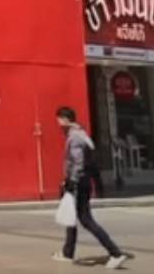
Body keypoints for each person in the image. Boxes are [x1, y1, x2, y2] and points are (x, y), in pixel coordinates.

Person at [53, 106, 128, 268]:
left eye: (58, 120)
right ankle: (67, 252)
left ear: (65, 119)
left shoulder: (75, 137)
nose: (58, 124)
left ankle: (115, 253)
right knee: (71, 215)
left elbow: (78, 161)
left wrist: (71, 181)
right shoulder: (80, 133)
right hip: (83, 181)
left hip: (79, 182)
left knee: (86, 219)